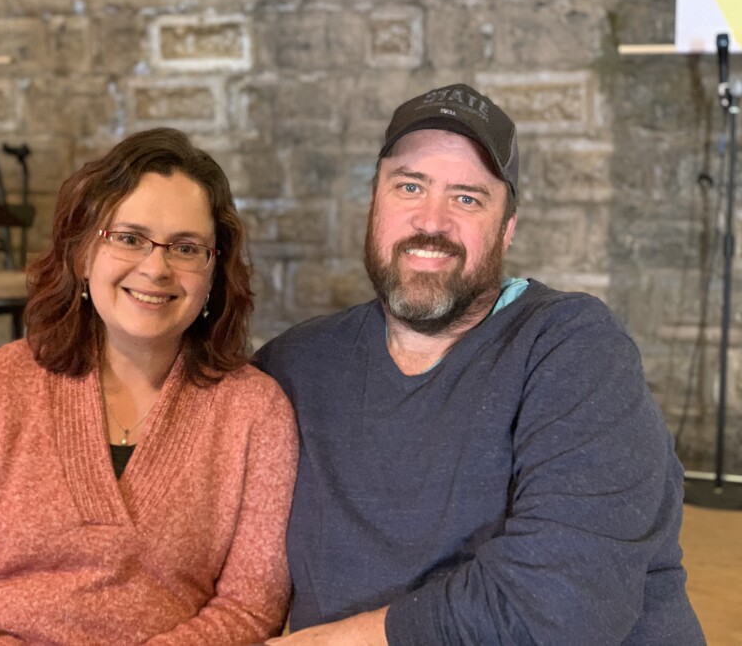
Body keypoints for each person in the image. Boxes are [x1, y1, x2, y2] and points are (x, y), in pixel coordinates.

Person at [256, 84, 705, 645]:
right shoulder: (294, 365)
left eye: (467, 198)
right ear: (374, 202)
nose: (432, 221)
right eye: (410, 186)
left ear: (507, 228)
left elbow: (560, 606)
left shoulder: (575, 349)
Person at [0, 128, 298, 644]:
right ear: (82, 255)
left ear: (214, 273)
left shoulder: (256, 412)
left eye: (187, 248)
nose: (156, 268)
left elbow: (250, 607)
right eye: (129, 238)